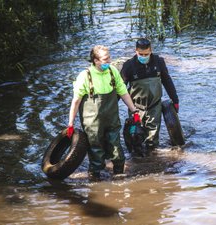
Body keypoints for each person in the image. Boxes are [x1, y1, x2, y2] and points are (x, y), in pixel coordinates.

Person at [67, 45, 139, 179]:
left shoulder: (112, 72)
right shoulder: (85, 76)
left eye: (109, 57)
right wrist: (70, 124)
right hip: (92, 123)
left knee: (117, 152)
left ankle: (119, 177)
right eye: (105, 59)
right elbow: (76, 101)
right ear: (96, 60)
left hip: (112, 120)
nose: (109, 61)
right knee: (96, 153)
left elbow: (123, 92)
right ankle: (95, 180)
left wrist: (134, 110)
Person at [120, 38, 179, 153]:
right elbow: (121, 89)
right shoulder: (128, 66)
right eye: (140, 54)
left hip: (154, 106)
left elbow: (167, 81)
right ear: (135, 51)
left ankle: (152, 159)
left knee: (152, 139)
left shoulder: (159, 62)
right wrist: (113, 106)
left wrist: (175, 100)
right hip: (135, 107)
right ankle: (137, 158)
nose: (143, 56)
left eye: (146, 54)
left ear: (151, 50)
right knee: (135, 137)